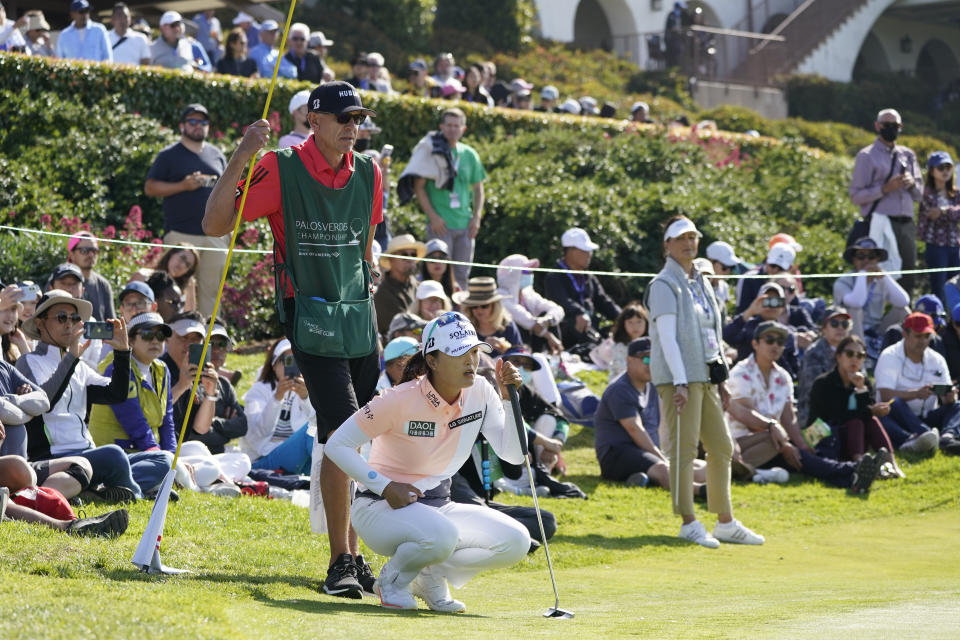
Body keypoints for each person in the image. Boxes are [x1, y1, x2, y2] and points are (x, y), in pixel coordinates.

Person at [203, 82, 384, 599]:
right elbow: (215, 222)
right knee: (343, 432)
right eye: (343, 118)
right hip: (311, 318)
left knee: (358, 436)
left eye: (358, 118)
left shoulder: (368, 172)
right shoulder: (281, 167)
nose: (353, 127)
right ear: (314, 120)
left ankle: (355, 556)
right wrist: (243, 153)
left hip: (359, 321)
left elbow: (364, 247)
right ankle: (339, 562)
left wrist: (367, 278)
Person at [324, 311, 529, 612]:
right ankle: (392, 582)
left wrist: (510, 399)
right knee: (441, 534)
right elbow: (337, 445)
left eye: (474, 352)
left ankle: (429, 576)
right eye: (459, 353)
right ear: (432, 361)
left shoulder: (482, 391)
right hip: (378, 508)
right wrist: (384, 486)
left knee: (516, 541)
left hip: (438, 505)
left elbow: (512, 454)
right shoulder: (398, 398)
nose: (471, 361)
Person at [646, 215, 764, 548]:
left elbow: (712, 333)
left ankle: (725, 521)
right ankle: (688, 521)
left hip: (706, 377)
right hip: (679, 380)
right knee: (683, 451)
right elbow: (667, 338)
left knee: (722, 447)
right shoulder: (663, 284)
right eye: (681, 237)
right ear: (667, 245)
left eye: (693, 237)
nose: (688, 243)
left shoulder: (699, 279)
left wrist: (721, 378)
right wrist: (681, 382)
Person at [727, 322, 888, 493]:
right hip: (740, 445)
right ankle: (851, 470)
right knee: (785, 447)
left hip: (773, 439)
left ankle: (852, 476)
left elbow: (789, 418)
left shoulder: (783, 376)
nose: (775, 345)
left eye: (780, 341)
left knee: (802, 452)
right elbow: (748, 419)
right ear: (755, 344)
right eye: (769, 340)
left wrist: (802, 445)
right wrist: (782, 437)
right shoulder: (740, 373)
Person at [16, 290, 145, 501]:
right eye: (61, 317)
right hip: (54, 457)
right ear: (39, 323)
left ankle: (90, 492)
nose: (69, 323)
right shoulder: (28, 361)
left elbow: (116, 394)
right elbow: (44, 402)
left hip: (87, 453)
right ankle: (137, 494)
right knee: (114, 455)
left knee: (161, 459)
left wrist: (122, 352)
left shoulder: (78, 365)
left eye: (74, 318)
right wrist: (73, 358)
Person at [144, 103, 228, 319]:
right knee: (172, 289)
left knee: (212, 292)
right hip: (181, 234)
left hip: (215, 235)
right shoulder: (169, 155)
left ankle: (209, 342)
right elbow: (150, 187)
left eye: (203, 122)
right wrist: (183, 185)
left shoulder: (216, 154)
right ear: (182, 126)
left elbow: (227, 189)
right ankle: (170, 337)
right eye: (192, 121)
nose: (198, 126)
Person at [88, 312, 175, 496]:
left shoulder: (161, 369)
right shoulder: (116, 368)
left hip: (145, 453)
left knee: (188, 458)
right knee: (166, 463)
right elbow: (134, 422)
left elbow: (167, 420)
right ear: (131, 341)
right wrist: (163, 457)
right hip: (119, 454)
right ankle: (113, 487)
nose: (155, 341)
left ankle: (146, 486)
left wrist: (173, 457)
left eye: (160, 336)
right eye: (147, 335)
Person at [406, 108, 486, 286]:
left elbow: (479, 188)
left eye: (456, 126)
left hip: (465, 225)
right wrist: (433, 217)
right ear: (441, 127)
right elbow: (419, 188)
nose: (452, 129)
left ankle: (458, 313)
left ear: (463, 129)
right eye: (448, 125)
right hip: (440, 226)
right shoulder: (430, 151)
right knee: (437, 277)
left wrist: (477, 217)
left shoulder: (470, 154)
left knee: (461, 276)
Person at [807, 335, 903, 474]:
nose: (855, 359)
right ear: (839, 357)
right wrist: (871, 410)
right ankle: (860, 465)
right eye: (850, 354)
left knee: (871, 420)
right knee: (856, 422)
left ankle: (891, 463)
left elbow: (867, 412)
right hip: (824, 436)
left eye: (860, 355)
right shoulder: (824, 383)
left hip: (852, 439)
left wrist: (861, 390)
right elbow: (838, 416)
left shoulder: (863, 382)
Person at [850, 108, 922, 291]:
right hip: (879, 224)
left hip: (905, 225)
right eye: (886, 125)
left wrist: (911, 184)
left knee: (907, 277)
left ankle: (905, 317)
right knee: (875, 279)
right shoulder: (866, 156)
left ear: (901, 127)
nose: (891, 129)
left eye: (895, 125)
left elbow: (921, 195)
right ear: (877, 126)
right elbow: (856, 196)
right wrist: (884, 189)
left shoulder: (908, 155)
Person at [594, 338, 672, 489]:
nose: (651, 364)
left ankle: (643, 478)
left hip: (644, 453)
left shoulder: (652, 386)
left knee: (695, 465)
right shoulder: (619, 389)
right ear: (629, 360)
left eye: (655, 359)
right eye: (646, 358)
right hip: (617, 455)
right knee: (665, 469)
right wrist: (661, 457)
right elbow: (634, 429)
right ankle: (701, 491)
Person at [873, 312, 952, 455]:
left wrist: (950, 396)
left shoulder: (937, 359)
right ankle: (918, 437)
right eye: (918, 336)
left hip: (927, 415)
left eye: (926, 336)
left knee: (958, 406)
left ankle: (948, 437)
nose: (922, 341)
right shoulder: (889, 355)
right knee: (894, 403)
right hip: (897, 417)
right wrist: (916, 394)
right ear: (905, 334)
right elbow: (885, 395)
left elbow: (945, 394)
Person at [544, 227, 622, 350]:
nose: (589, 254)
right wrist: (578, 312)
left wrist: (623, 317)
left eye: (590, 251)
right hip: (567, 334)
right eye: (585, 250)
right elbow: (562, 301)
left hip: (591, 331)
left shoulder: (588, 277)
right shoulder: (554, 276)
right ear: (570, 251)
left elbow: (604, 301)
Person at [834, 237, 909, 343]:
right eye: (861, 256)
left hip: (876, 329)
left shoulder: (882, 280)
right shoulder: (843, 281)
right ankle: (860, 353)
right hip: (849, 330)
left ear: (877, 260)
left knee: (903, 310)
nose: (866, 260)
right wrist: (862, 273)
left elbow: (903, 301)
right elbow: (856, 303)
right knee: (855, 311)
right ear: (854, 259)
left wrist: (884, 276)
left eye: (871, 257)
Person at [724, 282, 800, 377]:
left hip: (775, 384)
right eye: (766, 301)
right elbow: (727, 336)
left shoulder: (787, 334)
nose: (771, 306)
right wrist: (749, 312)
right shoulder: (747, 326)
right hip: (747, 381)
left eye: (776, 301)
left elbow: (794, 369)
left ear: (782, 305)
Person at [796, 307, 853, 428]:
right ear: (823, 329)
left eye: (844, 324)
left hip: (844, 407)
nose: (840, 328)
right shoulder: (813, 353)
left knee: (868, 419)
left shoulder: (852, 351)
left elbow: (862, 384)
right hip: (815, 416)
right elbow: (816, 390)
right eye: (834, 323)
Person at [496, 254, 564, 354]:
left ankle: (554, 355)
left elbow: (557, 309)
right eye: (526, 271)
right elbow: (522, 317)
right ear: (513, 274)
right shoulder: (500, 296)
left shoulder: (528, 295)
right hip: (512, 345)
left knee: (548, 317)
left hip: (533, 340)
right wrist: (548, 335)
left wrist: (547, 320)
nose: (530, 274)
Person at [917, 151, 960, 305]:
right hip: (936, 246)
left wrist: (943, 211)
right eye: (941, 167)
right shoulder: (926, 193)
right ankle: (939, 319)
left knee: (956, 285)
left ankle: (955, 320)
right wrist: (951, 211)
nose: (945, 171)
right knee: (939, 287)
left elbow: (952, 214)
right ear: (932, 170)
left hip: (954, 245)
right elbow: (933, 215)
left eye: (948, 167)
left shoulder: (955, 193)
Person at [454, 277, 522, 357]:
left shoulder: (508, 326)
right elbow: (459, 355)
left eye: (484, 306)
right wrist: (482, 348)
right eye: (474, 306)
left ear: (494, 306)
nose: (479, 310)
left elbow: (520, 354)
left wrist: (506, 352)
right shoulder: (464, 328)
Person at [374, 234, 426, 337]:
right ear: (391, 260)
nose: (410, 258)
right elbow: (404, 328)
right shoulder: (382, 294)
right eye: (404, 255)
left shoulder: (420, 287)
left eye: (413, 255)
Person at [734, 242, 796, 315]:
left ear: (790, 268)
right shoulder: (748, 279)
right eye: (773, 265)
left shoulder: (790, 284)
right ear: (767, 260)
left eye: (781, 268)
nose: (775, 270)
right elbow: (741, 312)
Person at [593, 303, 648, 383]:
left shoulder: (649, 345)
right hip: (622, 385)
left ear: (646, 323)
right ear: (623, 324)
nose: (635, 326)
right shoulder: (620, 346)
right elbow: (621, 367)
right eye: (630, 322)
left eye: (639, 322)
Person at [66, 231, 114, 322]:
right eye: (84, 250)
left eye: (94, 250)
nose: (91, 255)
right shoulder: (59, 280)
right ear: (71, 254)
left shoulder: (103, 284)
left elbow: (111, 322)